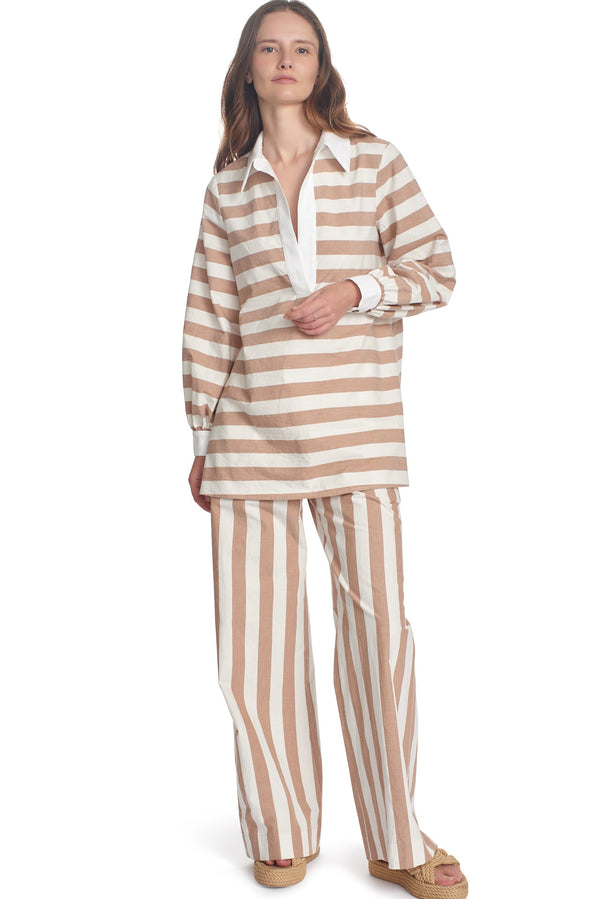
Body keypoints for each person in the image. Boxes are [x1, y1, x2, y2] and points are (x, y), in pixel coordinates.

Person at [181, 2, 467, 895]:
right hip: (250, 436)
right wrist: (202, 434)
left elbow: (438, 270)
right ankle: (281, 827)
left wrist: (353, 289)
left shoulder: (373, 161)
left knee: (380, 635)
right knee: (256, 650)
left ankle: (395, 837)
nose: (285, 59)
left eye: (301, 47)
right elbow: (210, 316)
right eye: (269, 47)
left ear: (321, 65)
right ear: (249, 66)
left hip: (359, 436)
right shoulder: (228, 188)